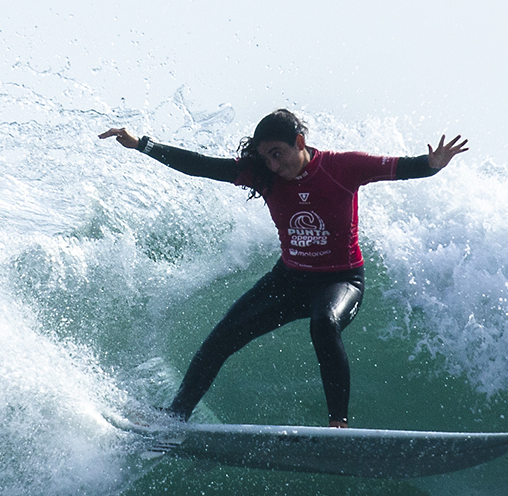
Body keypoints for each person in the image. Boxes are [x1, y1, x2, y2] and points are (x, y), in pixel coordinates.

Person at [99, 109, 467, 428]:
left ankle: (338, 424)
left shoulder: (343, 167)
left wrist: (431, 165)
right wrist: (142, 144)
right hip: (289, 279)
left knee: (324, 323)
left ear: (300, 141)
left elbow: (402, 168)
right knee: (221, 337)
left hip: (341, 279)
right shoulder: (264, 176)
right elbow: (202, 166)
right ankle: (176, 415)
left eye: (277, 154)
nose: (273, 165)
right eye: (265, 158)